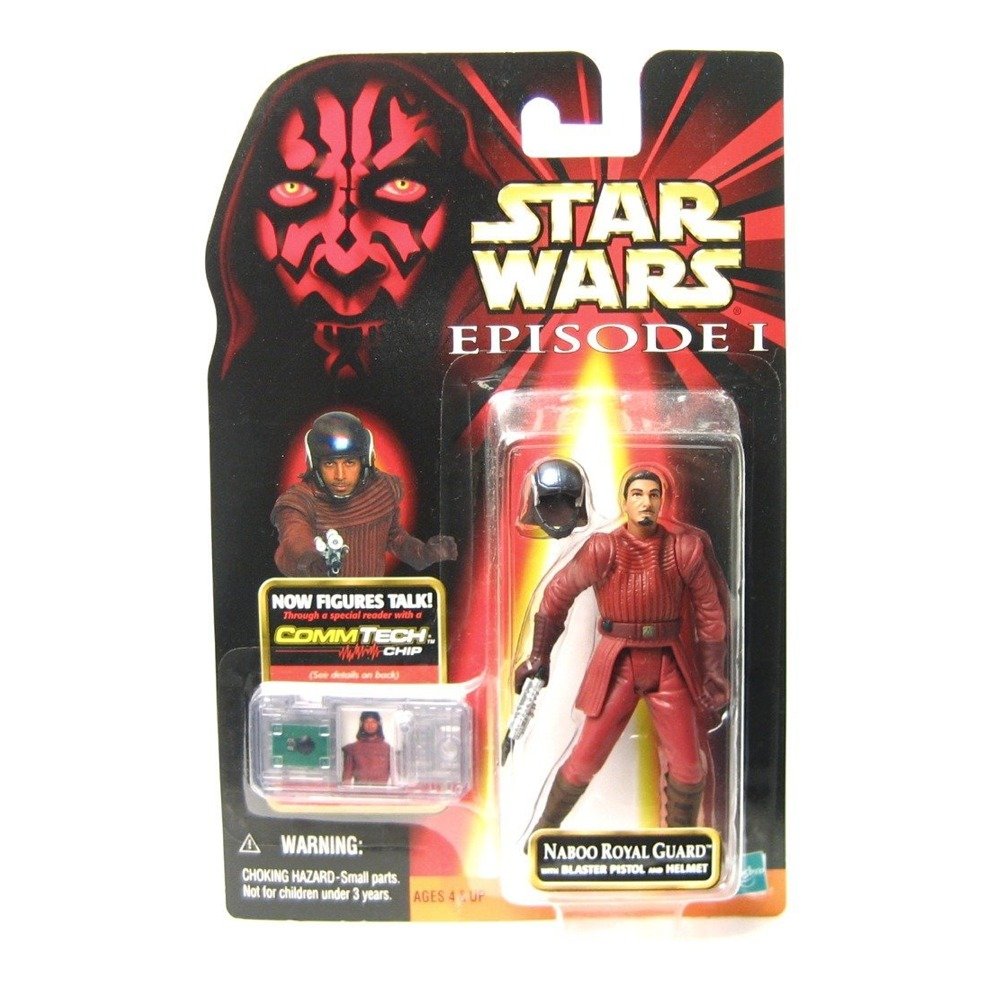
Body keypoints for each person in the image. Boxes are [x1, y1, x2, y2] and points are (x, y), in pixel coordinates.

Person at [515, 468, 729, 833]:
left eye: (653, 495)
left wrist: (713, 673)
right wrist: (539, 656)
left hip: (668, 662)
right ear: (625, 502)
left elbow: (710, 614)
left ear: (662, 501)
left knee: (690, 767)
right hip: (618, 664)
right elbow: (556, 596)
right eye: (638, 495)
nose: (646, 503)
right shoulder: (604, 548)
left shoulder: (684, 549)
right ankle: (542, 832)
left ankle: (680, 843)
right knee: (584, 759)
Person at [271, 411, 457, 577]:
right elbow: (294, 536)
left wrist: (424, 553)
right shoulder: (300, 500)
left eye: (349, 463)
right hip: (320, 602)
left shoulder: (382, 490)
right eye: (330, 463)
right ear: (315, 465)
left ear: (364, 461)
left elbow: (394, 537)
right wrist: (311, 559)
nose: (340, 475)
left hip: (371, 600)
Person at [341, 711, 392, 785]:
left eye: (373, 722)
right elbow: (346, 777)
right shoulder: (352, 748)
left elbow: (396, 776)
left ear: (378, 724)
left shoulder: (387, 749)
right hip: (359, 790)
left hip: (382, 790)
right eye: (367, 722)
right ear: (362, 724)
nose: (370, 725)